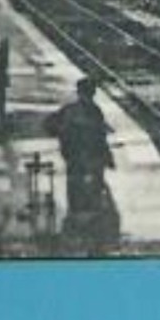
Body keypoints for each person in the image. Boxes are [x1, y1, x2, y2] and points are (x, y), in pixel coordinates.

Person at [45, 77, 118, 240]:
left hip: (74, 156)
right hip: (90, 157)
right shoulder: (95, 111)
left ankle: (76, 219)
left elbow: (50, 125)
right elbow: (100, 138)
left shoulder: (70, 109)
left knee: (74, 185)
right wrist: (109, 158)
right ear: (93, 94)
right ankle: (92, 223)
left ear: (79, 93)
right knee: (95, 186)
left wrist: (61, 133)